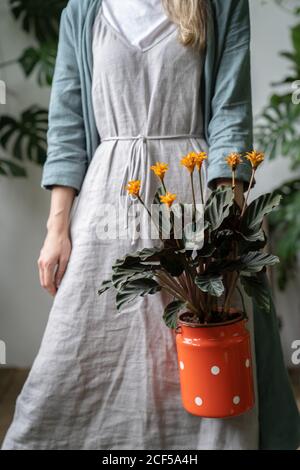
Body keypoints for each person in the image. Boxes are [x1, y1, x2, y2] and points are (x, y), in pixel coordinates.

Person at [2, 0, 299, 450]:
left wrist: (227, 222)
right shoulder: (83, 11)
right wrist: (56, 230)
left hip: (195, 199)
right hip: (106, 206)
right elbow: (67, 125)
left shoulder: (220, 4)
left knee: (201, 344)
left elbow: (231, 114)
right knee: (76, 352)